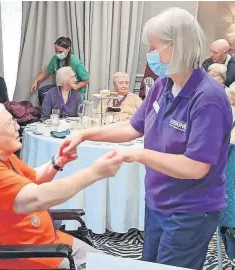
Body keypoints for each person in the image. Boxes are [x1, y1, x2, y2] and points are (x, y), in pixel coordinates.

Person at [59, 7, 233, 270]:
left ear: (179, 46)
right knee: (150, 265)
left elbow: (196, 167)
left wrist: (138, 154)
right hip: (158, 202)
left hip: (191, 210)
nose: (151, 55)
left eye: (155, 48)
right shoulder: (163, 86)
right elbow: (133, 127)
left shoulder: (208, 97)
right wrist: (84, 134)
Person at [0, 103, 123, 270]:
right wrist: (94, 173)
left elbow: (34, 178)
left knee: (114, 265)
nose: (17, 126)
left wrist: (58, 161)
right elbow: (38, 197)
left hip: (47, 242)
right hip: (21, 256)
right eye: (10, 123)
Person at [30, 37, 89, 101]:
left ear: (68, 49)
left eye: (60, 52)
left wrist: (74, 88)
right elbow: (47, 72)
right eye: (56, 51)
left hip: (75, 91)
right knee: (43, 92)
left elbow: (86, 80)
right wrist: (36, 81)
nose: (58, 54)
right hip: (62, 89)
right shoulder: (55, 59)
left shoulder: (75, 62)